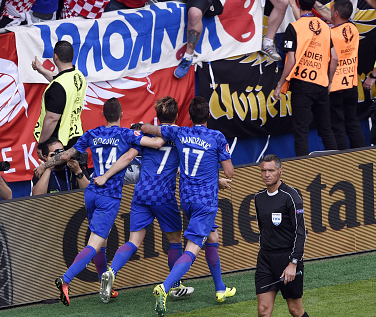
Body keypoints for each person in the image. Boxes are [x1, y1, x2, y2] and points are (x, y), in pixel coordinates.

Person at [34, 97, 154, 306]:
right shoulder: (127, 134)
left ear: (103, 115)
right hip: (109, 196)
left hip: (91, 192)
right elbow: (155, 143)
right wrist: (144, 129)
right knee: (95, 243)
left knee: (102, 243)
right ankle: (66, 279)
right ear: (121, 115)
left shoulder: (92, 133)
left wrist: (45, 165)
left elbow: (66, 156)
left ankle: (103, 286)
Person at [97, 96, 215, 303]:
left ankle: (112, 271)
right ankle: (175, 286)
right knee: (175, 240)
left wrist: (105, 176)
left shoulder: (146, 136)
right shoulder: (181, 136)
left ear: (157, 116)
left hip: (141, 192)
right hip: (164, 195)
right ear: (177, 115)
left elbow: (127, 157)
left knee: (134, 241)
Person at [141, 96, 236, 316]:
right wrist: (218, 175)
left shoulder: (180, 132)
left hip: (186, 199)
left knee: (212, 238)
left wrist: (140, 127)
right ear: (208, 116)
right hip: (205, 202)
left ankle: (220, 289)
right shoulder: (217, 137)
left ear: (190, 116)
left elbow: (153, 129)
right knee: (192, 249)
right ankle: (164, 288)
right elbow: (230, 172)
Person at [274, 0, 338, 156]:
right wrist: (329, 81)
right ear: (314, 4)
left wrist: (280, 85)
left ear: (298, 2)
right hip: (322, 84)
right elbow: (335, 58)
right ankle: (340, 168)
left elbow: (291, 61)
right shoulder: (325, 26)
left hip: (302, 86)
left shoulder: (293, 27)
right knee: (326, 129)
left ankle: (304, 176)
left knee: (301, 132)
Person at [254, 154, 307, 317]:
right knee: (263, 311)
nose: (266, 174)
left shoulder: (291, 196)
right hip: (265, 259)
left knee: (295, 310)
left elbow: (301, 232)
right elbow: (263, 229)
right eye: (263, 170)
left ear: (280, 171)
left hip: (287, 259)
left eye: (271, 170)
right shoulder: (258, 198)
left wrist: (293, 263)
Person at [33, 40, 87, 160]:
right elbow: (60, 79)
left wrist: (41, 143)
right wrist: (41, 70)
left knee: (59, 178)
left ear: (55, 56)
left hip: (59, 144)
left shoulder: (58, 87)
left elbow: (52, 119)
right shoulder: (78, 75)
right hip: (76, 138)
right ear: (72, 56)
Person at [328, 0, 366, 150]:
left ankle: (344, 161)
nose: (330, 12)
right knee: (352, 122)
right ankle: (361, 155)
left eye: (331, 10)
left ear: (336, 13)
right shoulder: (354, 28)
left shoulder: (330, 34)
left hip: (336, 86)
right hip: (351, 84)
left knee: (337, 126)